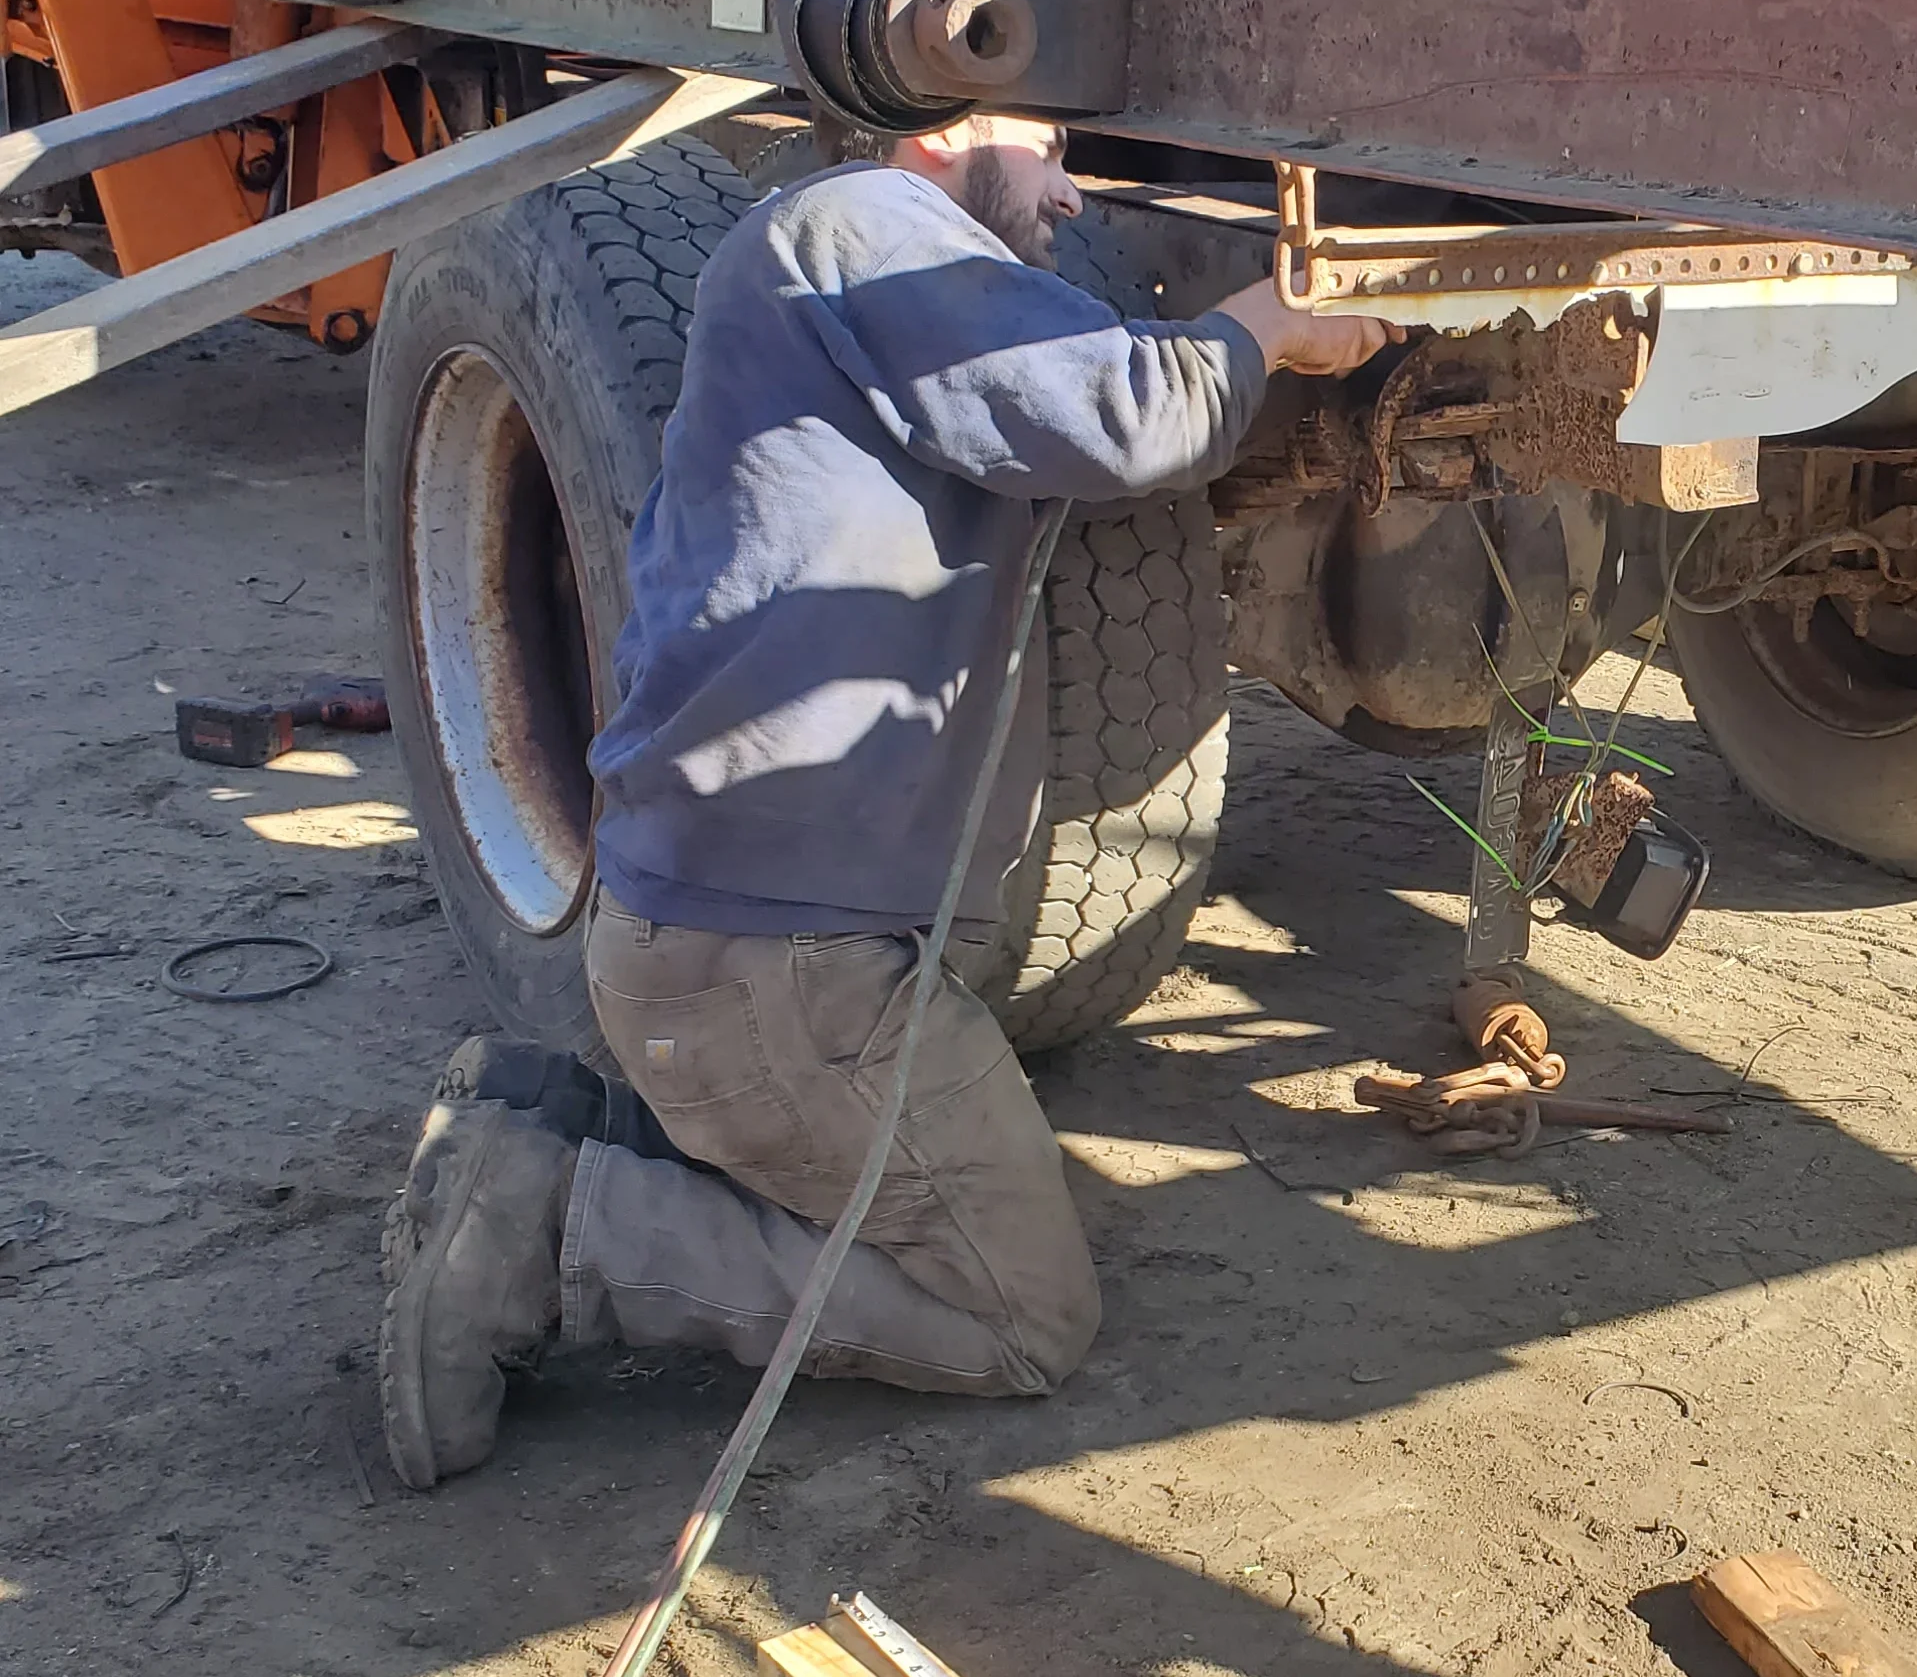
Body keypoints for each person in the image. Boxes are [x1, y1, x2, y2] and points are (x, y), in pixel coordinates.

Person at [377, 114, 1386, 1489]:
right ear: (946, 122)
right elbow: (1126, 412)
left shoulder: (824, 270)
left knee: (888, 1174)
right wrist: (1271, 324)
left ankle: (547, 1118)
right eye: (1045, 143)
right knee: (1023, 1316)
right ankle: (552, 1233)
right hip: (779, 966)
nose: (1069, 183)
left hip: (729, 949)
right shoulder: (860, 225)